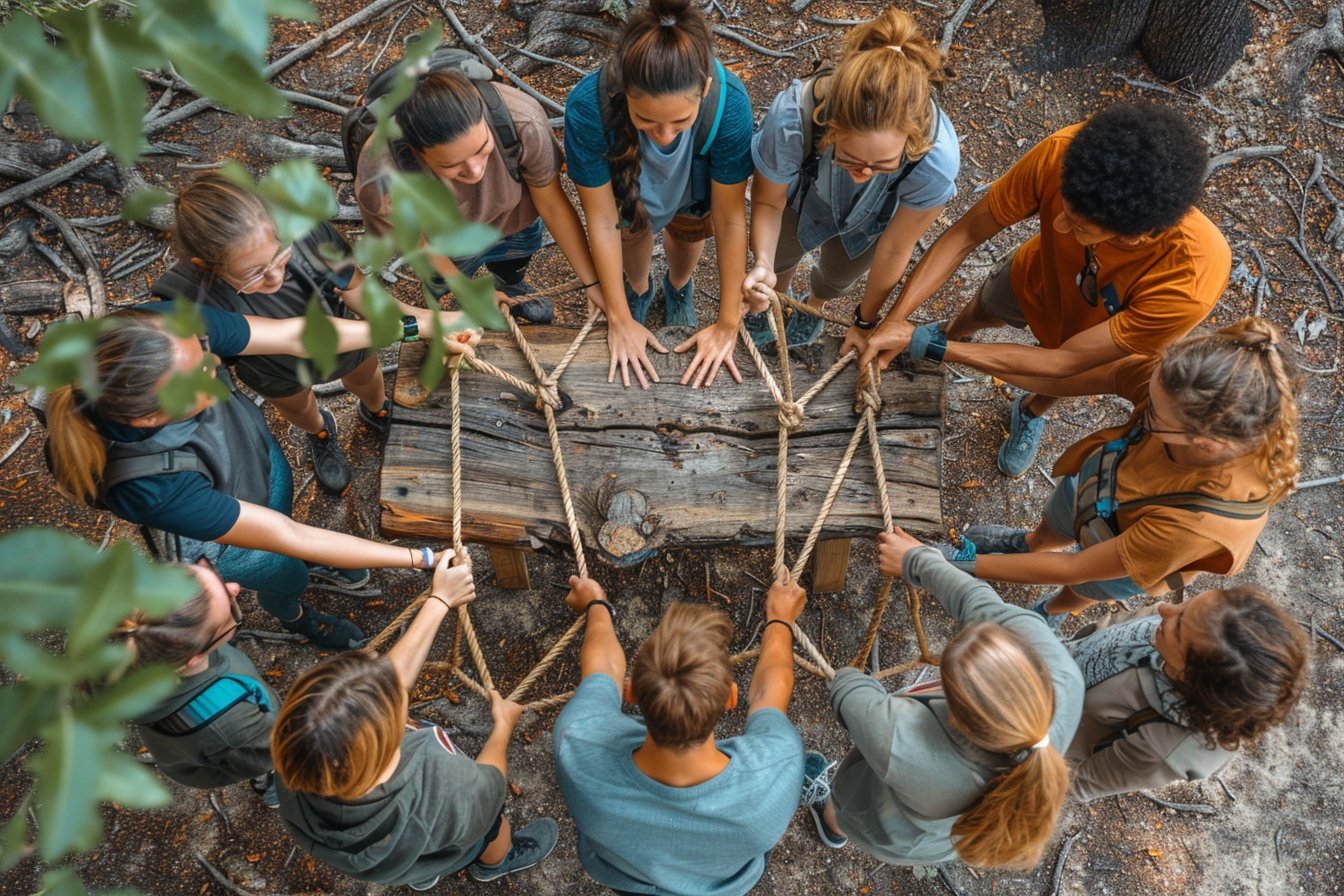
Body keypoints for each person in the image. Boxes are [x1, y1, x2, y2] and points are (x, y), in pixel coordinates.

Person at [44, 301, 475, 648]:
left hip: (250, 458)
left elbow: (294, 334)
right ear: (150, 419)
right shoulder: (149, 486)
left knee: (283, 501)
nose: (215, 363)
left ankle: (325, 561)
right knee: (284, 573)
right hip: (219, 540)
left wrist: (419, 327)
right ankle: (297, 617)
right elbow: (287, 536)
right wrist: (422, 559)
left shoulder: (164, 330)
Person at [857, 102, 1231, 477]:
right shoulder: (1065, 153)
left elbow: (1064, 364)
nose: (1058, 226)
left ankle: (1030, 410)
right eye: (1064, 207)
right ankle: (951, 332)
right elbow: (967, 234)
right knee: (984, 307)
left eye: (1080, 227)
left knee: (1056, 383)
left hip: (1092, 335)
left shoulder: (1189, 279)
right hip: (1036, 275)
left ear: (1137, 236)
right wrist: (896, 320)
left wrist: (939, 351)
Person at [937, 317, 1300, 619]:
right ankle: (1031, 544)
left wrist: (961, 565)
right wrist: (949, 352)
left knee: (1083, 589)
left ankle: (1050, 612)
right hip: (1096, 487)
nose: (1144, 408)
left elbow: (1075, 569)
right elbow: (1059, 377)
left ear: (1205, 444)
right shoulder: (1179, 383)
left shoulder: (1200, 525)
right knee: (1053, 528)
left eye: (1153, 414)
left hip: (1133, 555)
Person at [272, 551, 557, 889]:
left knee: (419, 856)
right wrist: (503, 727)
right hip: (451, 832)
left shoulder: (298, 770)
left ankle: (423, 871)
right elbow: (491, 785)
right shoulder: (445, 786)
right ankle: (493, 864)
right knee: (493, 830)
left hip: (395, 858)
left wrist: (439, 601)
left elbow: (386, 686)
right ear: (391, 735)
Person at [161, 173, 458, 495]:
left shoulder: (307, 232)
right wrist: (421, 327)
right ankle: (320, 433)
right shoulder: (188, 298)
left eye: (280, 254)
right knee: (298, 407)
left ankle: (376, 410)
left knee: (366, 377)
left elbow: (359, 291)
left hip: (350, 338)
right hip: (270, 367)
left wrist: (435, 323)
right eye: (254, 274)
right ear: (205, 265)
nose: (275, 275)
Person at [802, 528, 1082, 870]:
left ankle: (833, 823)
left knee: (848, 811)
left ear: (955, 716)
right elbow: (978, 602)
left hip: (889, 829)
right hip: (941, 838)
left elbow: (848, 690)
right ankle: (836, 823)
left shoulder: (902, 741)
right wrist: (916, 559)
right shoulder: (1062, 676)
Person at [553, 571, 805, 895]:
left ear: (631, 694)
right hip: (725, 883)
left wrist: (596, 604)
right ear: (731, 697)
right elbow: (771, 691)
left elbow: (602, 669)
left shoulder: (576, 744)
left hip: (628, 879)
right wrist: (780, 620)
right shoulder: (776, 768)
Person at [564, 0, 755, 390]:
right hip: (629, 191)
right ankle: (637, 291)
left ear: (703, 89)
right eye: (646, 120)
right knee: (631, 236)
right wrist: (617, 317)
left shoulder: (730, 105)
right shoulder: (589, 107)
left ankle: (678, 286)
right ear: (625, 94)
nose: (664, 135)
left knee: (689, 236)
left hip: (694, 193)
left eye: (680, 121)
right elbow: (602, 218)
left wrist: (727, 323)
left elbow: (730, 218)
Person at [742, 9, 959, 350]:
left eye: (884, 164)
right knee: (780, 256)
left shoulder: (935, 161)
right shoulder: (793, 117)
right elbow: (769, 200)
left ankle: (814, 306)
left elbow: (895, 248)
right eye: (849, 158)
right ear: (831, 125)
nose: (864, 173)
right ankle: (772, 303)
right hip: (803, 196)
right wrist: (762, 264)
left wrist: (865, 321)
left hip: (871, 222)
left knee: (838, 277)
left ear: (911, 140)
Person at [354, 65, 607, 325]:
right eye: (451, 165)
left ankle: (510, 284)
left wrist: (593, 283)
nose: (475, 171)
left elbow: (551, 203)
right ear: (416, 152)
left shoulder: (522, 121)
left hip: (515, 219)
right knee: (445, 278)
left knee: (515, 259)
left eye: (483, 148)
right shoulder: (382, 177)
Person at [1065, 586, 1310, 800]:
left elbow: (1076, 783)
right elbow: (1119, 627)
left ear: (1194, 677)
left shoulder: (1167, 747)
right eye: (1188, 605)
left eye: (1179, 627)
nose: (1165, 610)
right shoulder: (1198, 627)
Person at [115, 557, 280, 807]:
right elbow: (271, 751)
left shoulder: (129, 641)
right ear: (192, 658)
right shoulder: (228, 723)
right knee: (264, 764)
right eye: (230, 611)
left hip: (199, 742)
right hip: (238, 749)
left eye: (204, 569)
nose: (234, 586)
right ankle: (269, 784)